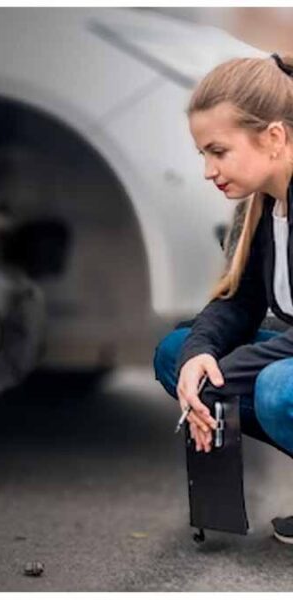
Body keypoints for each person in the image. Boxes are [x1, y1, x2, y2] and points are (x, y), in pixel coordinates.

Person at [153, 52, 293, 545]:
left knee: (278, 387)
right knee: (177, 353)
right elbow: (238, 302)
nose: (209, 170)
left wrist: (223, 379)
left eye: (219, 151)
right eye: (203, 156)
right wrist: (200, 359)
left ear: (273, 137)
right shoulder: (261, 207)